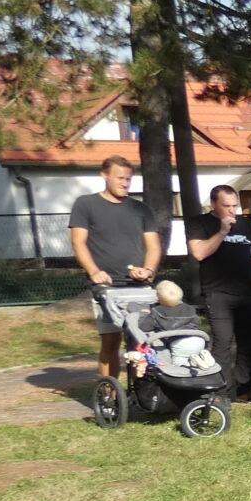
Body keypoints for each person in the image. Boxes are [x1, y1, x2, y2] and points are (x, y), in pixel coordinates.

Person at [69, 155, 160, 383]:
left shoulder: (141, 209)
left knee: (141, 340)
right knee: (111, 340)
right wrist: (94, 272)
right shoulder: (86, 204)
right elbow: (78, 242)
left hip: (138, 286)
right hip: (107, 287)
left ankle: (140, 391)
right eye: (120, 178)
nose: (124, 183)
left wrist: (148, 270)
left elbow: (153, 246)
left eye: (128, 179)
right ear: (104, 175)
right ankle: (109, 393)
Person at [183, 185, 251, 400]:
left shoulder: (246, 224)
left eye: (235, 205)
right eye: (226, 206)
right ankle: (221, 392)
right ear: (213, 204)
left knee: (248, 343)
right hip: (218, 292)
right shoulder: (199, 223)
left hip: (247, 291)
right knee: (222, 343)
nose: (232, 210)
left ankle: (245, 390)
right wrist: (222, 232)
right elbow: (199, 253)